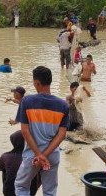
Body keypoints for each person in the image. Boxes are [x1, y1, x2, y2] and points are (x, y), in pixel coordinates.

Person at [14, 65, 69, 196]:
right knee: (50, 191)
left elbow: (25, 132)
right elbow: (62, 134)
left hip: (32, 155)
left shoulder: (27, 101)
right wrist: (45, 155)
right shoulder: (62, 105)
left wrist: (38, 154)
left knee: (21, 186)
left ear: (37, 83)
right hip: (53, 155)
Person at [0, 130, 40, 196]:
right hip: (30, 191)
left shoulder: (5, 156)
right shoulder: (34, 156)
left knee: (5, 169)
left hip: (9, 192)